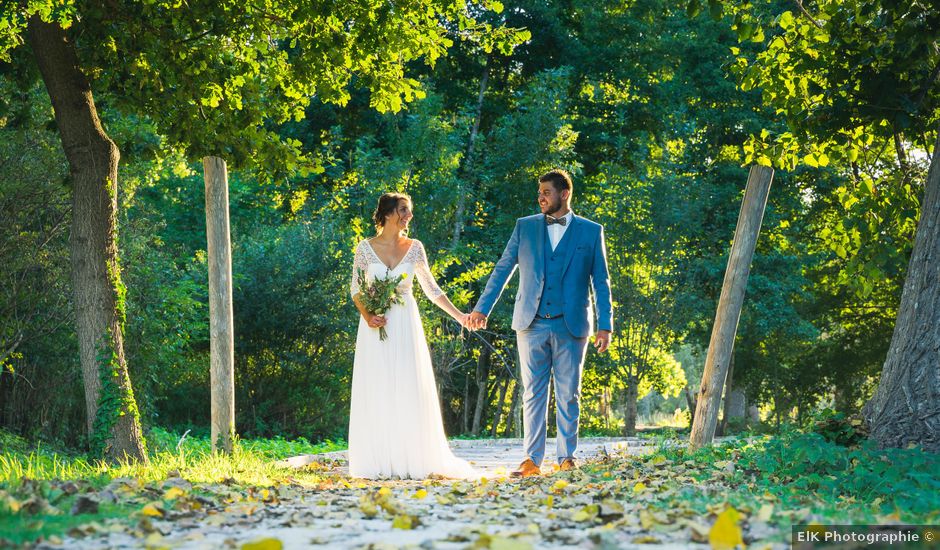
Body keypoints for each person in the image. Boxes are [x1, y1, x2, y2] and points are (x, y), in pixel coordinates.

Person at [468, 169, 613, 477]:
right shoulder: (525, 227)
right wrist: (482, 308)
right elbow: (503, 268)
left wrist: (605, 325)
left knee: (568, 393)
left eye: (547, 192)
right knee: (532, 393)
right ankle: (532, 460)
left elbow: (601, 280)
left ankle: (566, 458)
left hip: (572, 324)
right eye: (540, 193)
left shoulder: (590, 231)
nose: (541, 198)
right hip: (531, 322)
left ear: (565, 194)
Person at [348, 192, 477, 479]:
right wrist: (368, 316)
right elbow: (355, 289)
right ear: (388, 212)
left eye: (409, 210)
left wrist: (460, 316)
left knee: (407, 386)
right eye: (403, 210)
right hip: (375, 327)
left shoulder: (415, 247)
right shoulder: (365, 248)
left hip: (405, 322)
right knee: (378, 388)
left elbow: (431, 289)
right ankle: (380, 460)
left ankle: (411, 458)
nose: (409, 215)